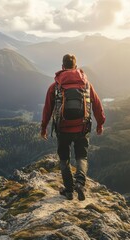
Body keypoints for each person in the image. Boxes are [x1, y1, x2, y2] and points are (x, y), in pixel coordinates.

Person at [41, 54, 105, 201]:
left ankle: (69, 191)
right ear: (75, 67)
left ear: (62, 67)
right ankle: (80, 185)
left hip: (63, 128)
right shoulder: (86, 84)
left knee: (64, 159)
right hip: (82, 127)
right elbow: (97, 105)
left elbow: (48, 109)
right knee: (81, 157)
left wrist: (43, 127)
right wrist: (100, 123)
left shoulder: (55, 86)